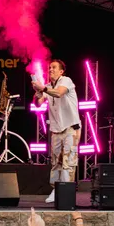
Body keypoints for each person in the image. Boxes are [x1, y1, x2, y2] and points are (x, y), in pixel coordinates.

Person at [32, 60, 81, 203]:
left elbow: (59, 93)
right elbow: (38, 104)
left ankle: (66, 192)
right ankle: (56, 190)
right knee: (56, 162)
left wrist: (43, 88)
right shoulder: (48, 87)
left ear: (61, 71)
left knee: (68, 162)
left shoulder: (66, 81)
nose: (50, 70)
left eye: (54, 67)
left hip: (70, 128)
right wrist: (37, 93)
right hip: (56, 130)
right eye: (49, 68)